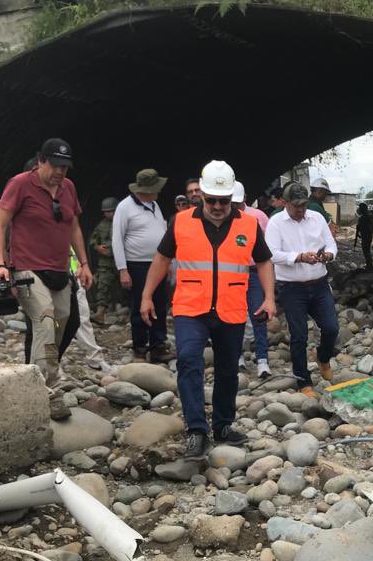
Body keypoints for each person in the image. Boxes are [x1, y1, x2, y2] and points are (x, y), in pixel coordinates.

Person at [139, 161, 275, 460]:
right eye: (210, 200)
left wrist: (268, 298)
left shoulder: (248, 225)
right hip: (191, 307)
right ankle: (197, 431)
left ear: (231, 198)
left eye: (223, 201)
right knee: (188, 361)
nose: (216, 206)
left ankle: (223, 426)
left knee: (228, 371)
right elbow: (161, 260)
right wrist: (147, 296)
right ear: (200, 195)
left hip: (231, 308)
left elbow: (263, 261)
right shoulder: (181, 222)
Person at [0, 138, 93, 417]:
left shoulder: (68, 188)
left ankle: (35, 374)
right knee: (45, 323)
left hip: (60, 269)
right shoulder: (20, 184)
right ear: (41, 161)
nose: (61, 172)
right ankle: (49, 394)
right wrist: (1, 264)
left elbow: (74, 228)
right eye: (56, 165)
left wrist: (84, 263)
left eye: (66, 167)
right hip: (27, 268)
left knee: (62, 325)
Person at [265, 182, 339, 398]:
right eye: (296, 205)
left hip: (319, 283)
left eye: (304, 205)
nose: (301, 209)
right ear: (285, 203)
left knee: (331, 327)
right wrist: (298, 257)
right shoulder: (276, 222)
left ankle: (323, 357)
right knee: (299, 336)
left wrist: (328, 255)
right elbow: (270, 254)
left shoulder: (316, 218)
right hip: (291, 287)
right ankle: (303, 381)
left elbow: (331, 244)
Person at [113, 169, 170, 362]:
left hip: (157, 262)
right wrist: (123, 269)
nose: (158, 192)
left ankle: (158, 344)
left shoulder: (154, 204)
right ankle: (139, 346)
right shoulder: (124, 207)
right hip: (137, 264)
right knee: (140, 305)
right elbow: (117, 240)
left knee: (160, 303)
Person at [233, 181, 273, 378]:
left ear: (245, 199)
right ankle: (237, 357)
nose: (235, 208)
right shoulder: (223, 218)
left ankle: (262, 360)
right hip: (232, 273)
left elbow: (267, 247)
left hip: (254, 272)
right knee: (235, 316)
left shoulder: (258, 217)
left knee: (258, 315)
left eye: (238, 204)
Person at [67, 249, 112, 372]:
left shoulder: (69, 230)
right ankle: (52, 365)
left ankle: (95, 359)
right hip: (47, 276)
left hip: (73, 275)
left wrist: (82, 265)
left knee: (82, 317)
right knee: (51, 321)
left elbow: (72, 244)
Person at [88, 197, 123, 325]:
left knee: (129, 286)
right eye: (106, 212)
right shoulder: (101, 225)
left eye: (110, 211)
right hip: (105, 262)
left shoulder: (123, 223)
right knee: (102, 286)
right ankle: (100, 313)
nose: (107, 214)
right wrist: (98, 248)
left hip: (122, 261)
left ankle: (130, 309)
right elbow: (92, 240)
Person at [354, 202, 373, 268]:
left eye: (360, 208)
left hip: (366, 237)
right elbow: (372, 225)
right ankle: (369, 263)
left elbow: (364, 228)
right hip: (368, 236)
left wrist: (361, 233)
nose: (359, 210)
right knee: (367, 250)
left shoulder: (363, 218)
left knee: (366, 251)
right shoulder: (370, 216)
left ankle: (369, 264)